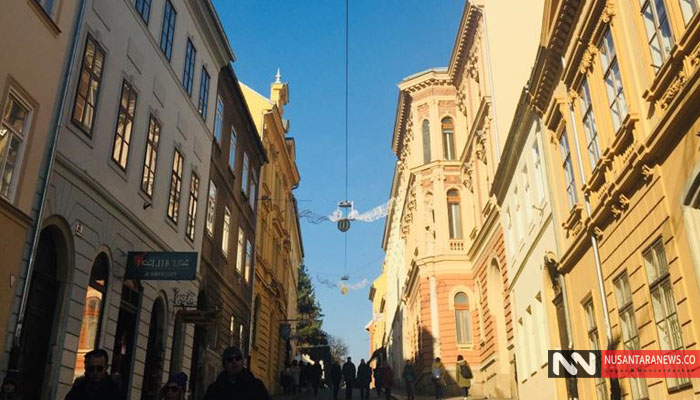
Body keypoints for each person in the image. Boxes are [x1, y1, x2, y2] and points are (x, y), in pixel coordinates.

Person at [202, 346, 271, 400]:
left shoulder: (255, 387)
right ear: (224, 364)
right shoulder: (215, 390)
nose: (234, 362)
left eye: (237, 358)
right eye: (230, 359)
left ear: (242, 362)